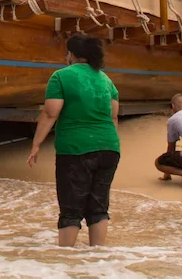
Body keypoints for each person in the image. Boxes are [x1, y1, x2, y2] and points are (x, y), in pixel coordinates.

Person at [27, 33, 120, 248]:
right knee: (98, 206)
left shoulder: (61, 77)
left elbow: (51, 113)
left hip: (75, 148)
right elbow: (113, 116)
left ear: (71, 54)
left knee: (71, 208)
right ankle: (97, 257)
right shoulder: (106, 80)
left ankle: (66, 263)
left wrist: (36, 144)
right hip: (109, 148)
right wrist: (109, 143)